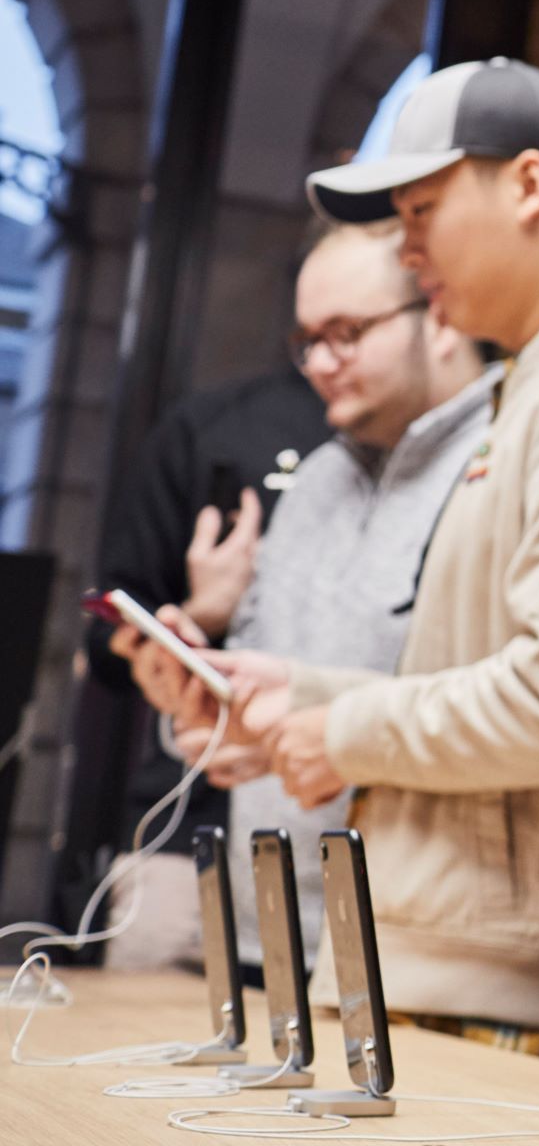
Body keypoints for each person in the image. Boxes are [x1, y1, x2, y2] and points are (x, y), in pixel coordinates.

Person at [167, 58, 539, 1077]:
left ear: (531, 185)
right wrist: (302, 692)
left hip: (520, 981)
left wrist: (341, 731)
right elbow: (494, 670)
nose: (406, 248)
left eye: (422, 208)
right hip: (446, 960)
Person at [119, 219, 493, 970]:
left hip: (416, 943)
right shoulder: (317, 479)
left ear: (440, 313)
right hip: (263, 922)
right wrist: (203, 710)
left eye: (347, 333)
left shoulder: (499, 461)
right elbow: (271, 684)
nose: (320, 363)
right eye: (307, 340)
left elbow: (502, 707)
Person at [69, 359, 327, 967]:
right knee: (144, 1035)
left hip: (350, 843)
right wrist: (203, 616)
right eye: (322, 336)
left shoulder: (431, 440)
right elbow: (111, 640)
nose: (333, 360)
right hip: (192, 831)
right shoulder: (214, 425)